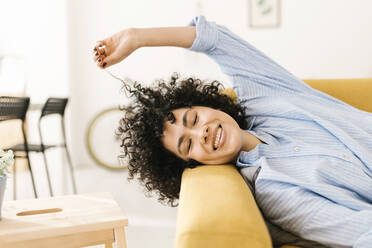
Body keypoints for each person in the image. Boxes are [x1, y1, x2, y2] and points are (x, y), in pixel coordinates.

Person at [93, 16, 372, 248]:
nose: (201, 132)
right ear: (191, 163)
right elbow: (361, 233)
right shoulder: (274, 189)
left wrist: (136, 36)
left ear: (205, 103)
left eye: (193, 118)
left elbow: (217, 41)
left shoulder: (265, 98)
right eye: (187, 145)